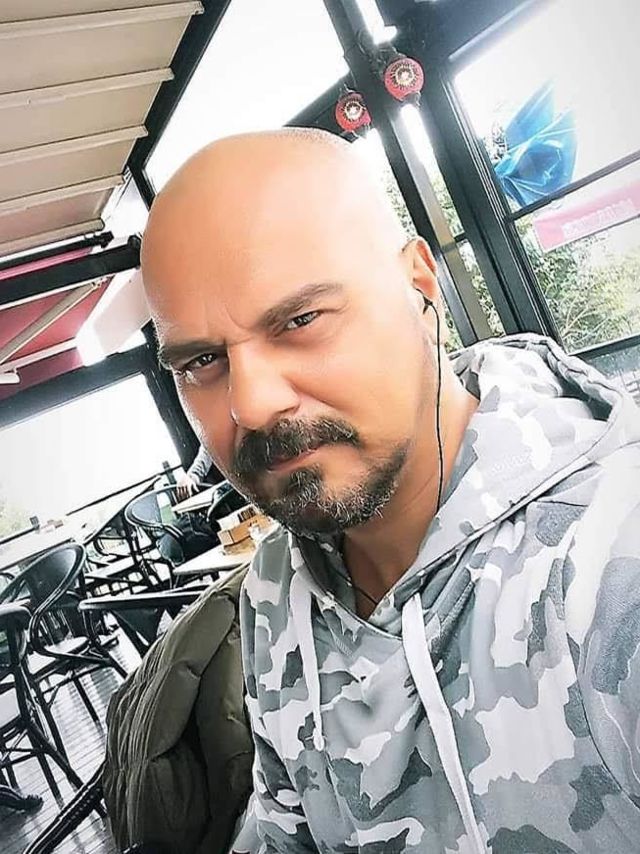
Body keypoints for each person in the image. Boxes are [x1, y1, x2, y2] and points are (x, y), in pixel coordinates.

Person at [141, 129, 640, 853]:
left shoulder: (612, 556)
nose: (250, 404)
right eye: (201, 362)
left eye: (300, 320)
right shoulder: (276, 586)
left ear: (421, 287)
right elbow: (283, 829)